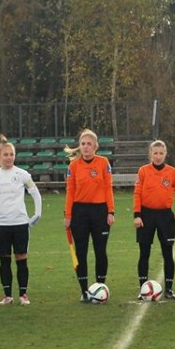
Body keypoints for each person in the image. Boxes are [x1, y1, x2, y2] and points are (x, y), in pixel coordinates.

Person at [0, 136, 42, 306]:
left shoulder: (22, 174)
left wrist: (37, 213)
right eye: (5, 154)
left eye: (12, 154)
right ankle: (7, 295)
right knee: (4, 260)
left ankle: (23, 294)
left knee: (21, 258)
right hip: (1, 225)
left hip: (20, 223)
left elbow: (35, 193)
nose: (9, 157)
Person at [64, 129, 115, 302]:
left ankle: (100, 287)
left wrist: (110, 211)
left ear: (95, 146)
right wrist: (68, 215)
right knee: (81, 252)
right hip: (80, 213)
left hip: (100, 212)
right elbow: (70, 192)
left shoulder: (103, 163)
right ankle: (84, 290)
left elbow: (108, 188)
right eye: (83, 144)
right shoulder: (74, 166)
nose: (85, 147)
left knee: (100, 251)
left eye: (89, 144)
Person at [133, 140, 175, 299]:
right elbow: (137, 194)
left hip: (165, 216)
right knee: (144, 253)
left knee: (168, 253)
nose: (158, 156)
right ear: (150, 154)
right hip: (146, 216)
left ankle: (169, 289)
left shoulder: (172, 172)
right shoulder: (143, 171)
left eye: (161, 153)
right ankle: (143, 289)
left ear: (165, 154)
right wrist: (137, 215)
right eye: (155, 153)